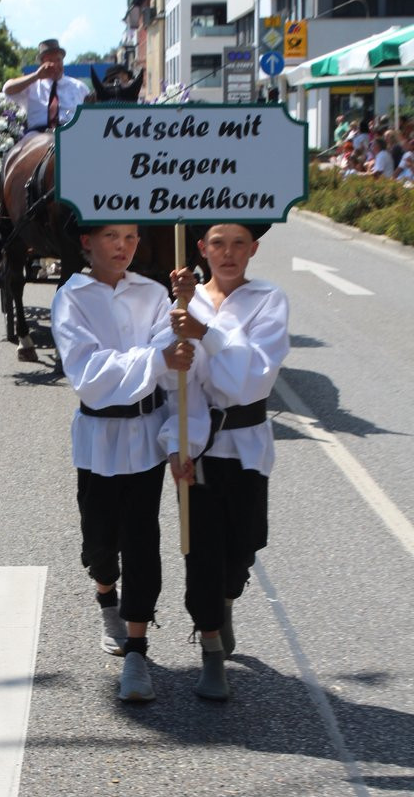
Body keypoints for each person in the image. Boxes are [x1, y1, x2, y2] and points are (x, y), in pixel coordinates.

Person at [50, 223, 194, 703]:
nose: (123, 246)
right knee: (99, 542)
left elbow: (174, 377)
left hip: (145, 438)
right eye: (111, 236)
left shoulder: (155, 295)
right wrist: (154, 358)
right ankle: (104, 592)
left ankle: (137, 648)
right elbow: (90, 376)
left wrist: (177, 438)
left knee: (142, 540)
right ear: (87, 241)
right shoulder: (71, 298)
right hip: (97, 439)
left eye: (131, 237)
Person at [159, 223, 290, 701]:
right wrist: (176, 444)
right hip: (197, 445)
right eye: (218, 244)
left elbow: (248, 383)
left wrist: (205, 332)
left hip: (247, 444)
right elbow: (176, 389)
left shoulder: (269, 300)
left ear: (253, 249)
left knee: (244, 546)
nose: (228, 254)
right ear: (202, 249)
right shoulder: (180, 304)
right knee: (201, 552)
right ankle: (210, 646)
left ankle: (227, 598)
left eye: (239, 244)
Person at [3, 39, 90, 133]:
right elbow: (7, 89)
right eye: (50, 61)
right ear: (42, 64)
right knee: (19, 147)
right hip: (36, 134)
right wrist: (36, 76)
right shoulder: (32, 85)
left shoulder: (79, 87)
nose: (55, 65)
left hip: (70, 134)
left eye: (58, 60)